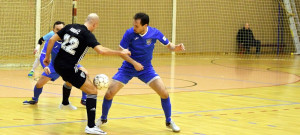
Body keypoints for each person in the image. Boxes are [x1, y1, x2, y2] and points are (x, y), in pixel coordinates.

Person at [96, 12, 185, 132]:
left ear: (145, 25)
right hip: (128, 67)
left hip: (146, 69)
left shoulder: (155, 33)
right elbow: (121, 52)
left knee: (164, 93)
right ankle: (103, 118)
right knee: (109, 94)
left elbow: (169, 45)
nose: (134, 27)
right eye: (134, 25)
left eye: (137, 26)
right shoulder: (129, 33)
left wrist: (176, 48)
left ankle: (169, 121)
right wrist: (134, 63)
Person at [44, 13, 131, 135]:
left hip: (57, 63)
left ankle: (65, 103)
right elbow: (101, 50)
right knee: (92, 91)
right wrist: (120, 53)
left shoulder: (70, 26)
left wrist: (47, 57)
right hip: (69, 67)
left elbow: (52, 39)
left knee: (74, 78)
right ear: (95, 24)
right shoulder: (87, 35)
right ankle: (91, 126)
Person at [23, 21, 88, 107]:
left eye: (61, 29)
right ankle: (35, 99)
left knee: (85, 73)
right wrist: (45, 67)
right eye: (57, 30)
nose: (59, 31)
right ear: (53, 30)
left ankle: (84, 99)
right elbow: (42, 55)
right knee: (39, 84)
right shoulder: (51, 41)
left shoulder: (71, 40)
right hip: (54, 65)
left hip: (69, 64)